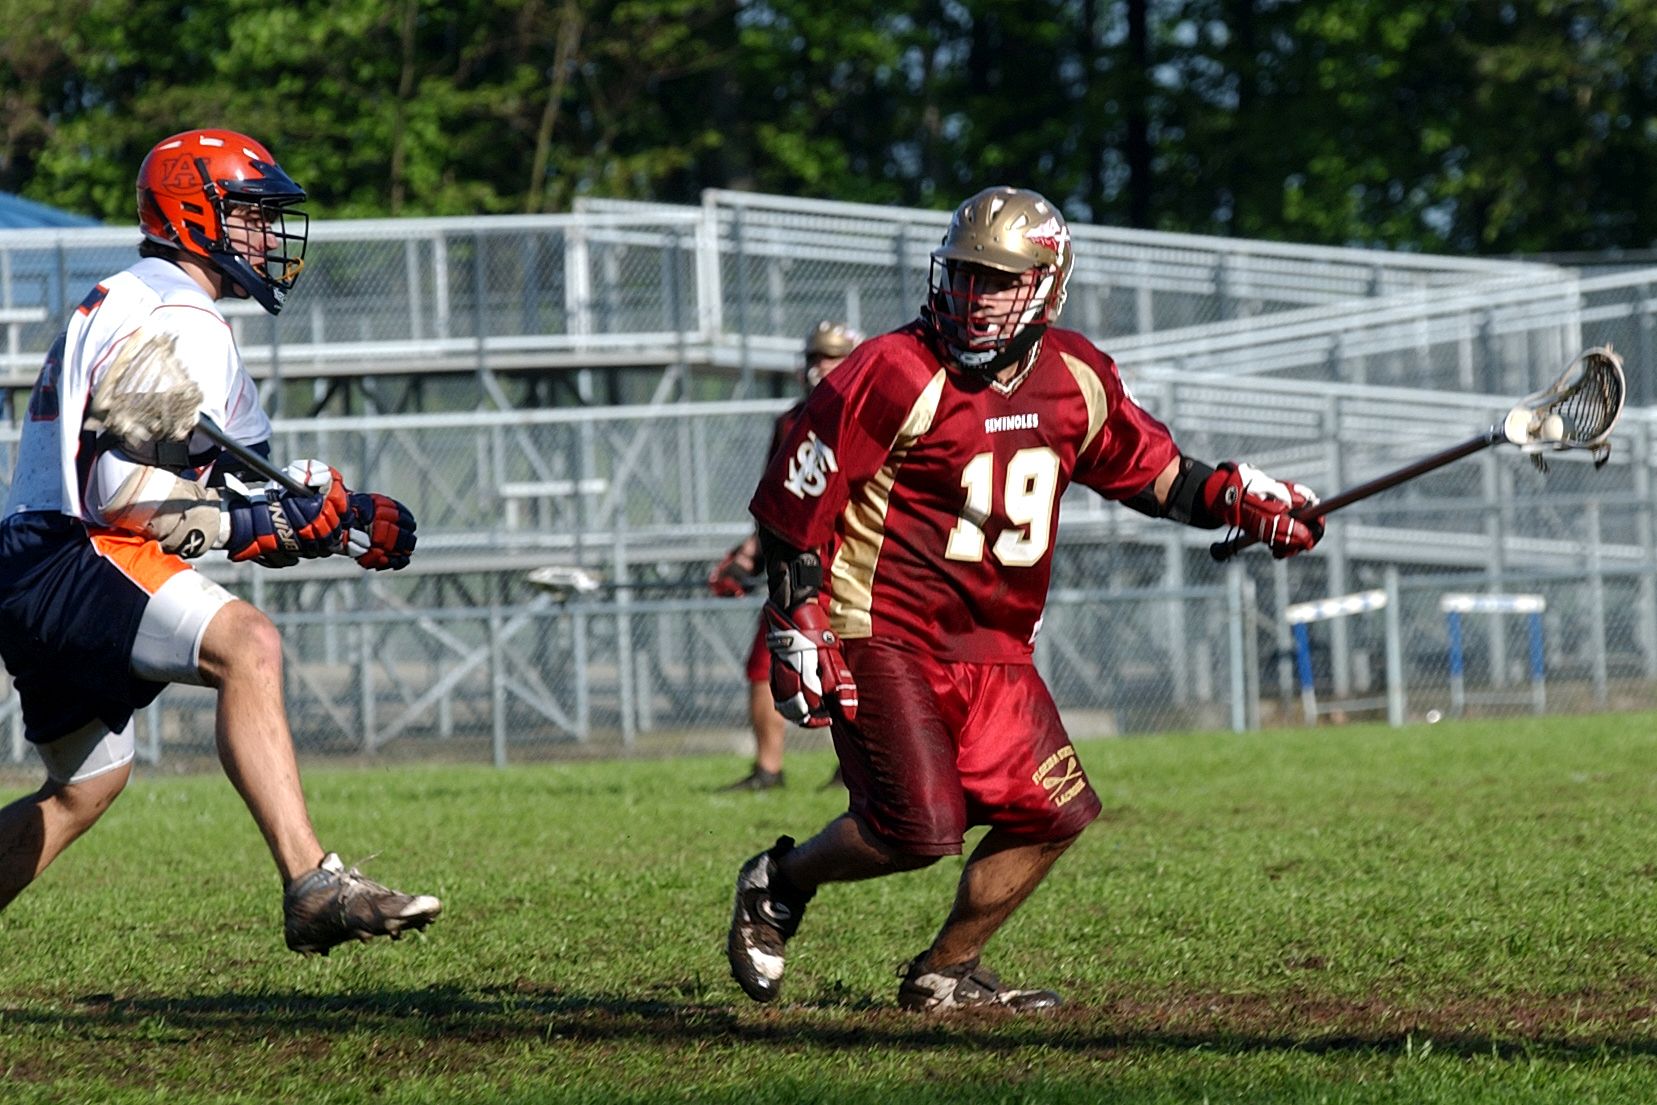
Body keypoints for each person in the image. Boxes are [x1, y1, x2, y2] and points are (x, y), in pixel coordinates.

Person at [726, 186, 1323, 1012]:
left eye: (999, 280)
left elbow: (1155, 474)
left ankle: (946, 972)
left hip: (997, 646)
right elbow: (795, 504)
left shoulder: (1076, 375)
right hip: (884, 628)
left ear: (1047, 284)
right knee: (917, 828)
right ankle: (778, 882)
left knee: (1054, 812)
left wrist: (1238, 500)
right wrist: (797, 616)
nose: (975, 297)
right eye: (965, 274)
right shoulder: (894, 369)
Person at [0, 128, 440, 955]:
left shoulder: (144, 296)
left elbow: (227, 486)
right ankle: (312, 884)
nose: (268, 235)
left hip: (35, 554)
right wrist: (263, 522)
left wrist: (334, 520)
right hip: (74, 550)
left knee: (84, 786)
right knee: (248, 643)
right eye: (250, 215)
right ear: (193, 213)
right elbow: (123, 494)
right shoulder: (181, 316)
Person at [709, 321, 862, 792]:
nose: (821, 366)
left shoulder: (871, 418)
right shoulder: (790, 422)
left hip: (854, 564)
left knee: (859, 667)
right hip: (796, 566)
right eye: (815, 357)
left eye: (832, 357)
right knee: (764, 664)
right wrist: (750, 555)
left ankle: (857, 769)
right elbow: (777, 503)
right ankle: (768, 770)